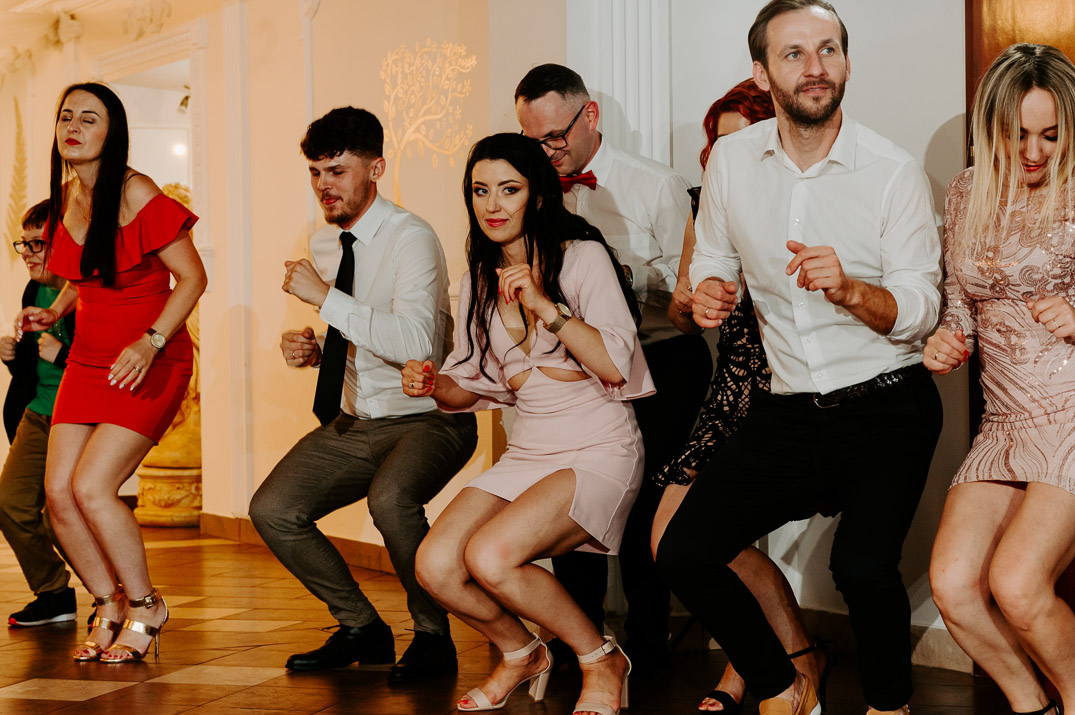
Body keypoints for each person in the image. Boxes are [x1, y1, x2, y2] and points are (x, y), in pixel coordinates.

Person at [654, 2, 943, 714]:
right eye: (794, 54)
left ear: (844, 60)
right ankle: (788, 687)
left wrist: (850, 288)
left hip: (887, 400)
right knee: (683, 549)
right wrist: (710, 291)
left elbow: (921, 309)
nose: (815, 68)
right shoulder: (731, 161)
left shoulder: (892, 171)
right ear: (761, 72)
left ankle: (889, 706)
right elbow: (712, 260)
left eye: (828, 49)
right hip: (785, 407)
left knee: (862, 567)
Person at [402, 132, 652, 715]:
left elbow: (615, 365)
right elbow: (471, 384)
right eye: (479, 190)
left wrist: (546, 307)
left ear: (537, 195)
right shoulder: (479, 277)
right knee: (434, 566)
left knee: (490, 556)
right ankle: (521, 652)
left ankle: (600, 658)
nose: (492, 205)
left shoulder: (582, 258)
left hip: (598, 447)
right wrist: (432, 383)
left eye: (508, 189)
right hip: (529, 451)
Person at [248, 106, 478, 684]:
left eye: (337, 171)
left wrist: (324, 299)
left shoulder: (411, 238)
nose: (324, 185)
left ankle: (433, 638)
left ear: (375, 169)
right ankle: (361, 627)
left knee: (391, 500)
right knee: (273, 510)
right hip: (357, 420)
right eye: (315, 172)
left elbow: (416, 343)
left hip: (430, 417)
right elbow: (360, 331)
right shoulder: (324, 245)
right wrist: (315, 350)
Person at [515, 62, 710, 671]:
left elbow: (691, 283)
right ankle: (581, 640)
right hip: (575, 366)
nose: (547, 152)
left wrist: (620, 278)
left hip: (660, 358)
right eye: (533, 140)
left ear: (590, 115)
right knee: (574, 496)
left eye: (555, 136)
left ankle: (649, 643)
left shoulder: (656, 184)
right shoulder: (532, 190)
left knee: (648, 501)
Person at [16, 82, 206, 662]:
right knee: (57, 494)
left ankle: (147, 604)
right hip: (88, 360)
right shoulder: (68, 196)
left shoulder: (135, 191)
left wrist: (151, 341)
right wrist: (55, 310)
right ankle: (108, 602)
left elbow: (193, 278)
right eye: (66, 116)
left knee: (93, 488)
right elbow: (88, 275)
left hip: (147, 358)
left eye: (88, 118)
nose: (73, 127)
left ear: (112, 131)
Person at [653, 79, 826, 714]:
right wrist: (690, 302)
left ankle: (764, 671)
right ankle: (795, 658)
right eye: (717, 143)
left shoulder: (806, 200)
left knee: (712, 539)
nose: (726, 153)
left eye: (742, 138)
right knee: (673, 539)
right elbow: (682, 316)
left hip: (785, 389)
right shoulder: (706, 209)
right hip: (729, 388)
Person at [927, 43, 1075, 715]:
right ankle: (1030, 705)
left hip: (1069, 408)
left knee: (1017, 583)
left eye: (1051, 135)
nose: (1034, 152)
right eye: (1018, 134)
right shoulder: (966, 190)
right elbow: (961, 300)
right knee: (954, 585)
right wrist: (946, 337)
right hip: (1004, 417)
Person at [1, 200, 78, 628]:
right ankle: (53, 593)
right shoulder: (34, 291)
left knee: (65, 513)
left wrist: (62, 353)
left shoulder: (89, 293)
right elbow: (34, 368)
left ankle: (117, 595)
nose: (28, 254)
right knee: (10, 503)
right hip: (38, 413)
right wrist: (13, 356)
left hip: (80, 418)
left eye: (38, 244)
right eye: (24, 244)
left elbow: (111, 362)